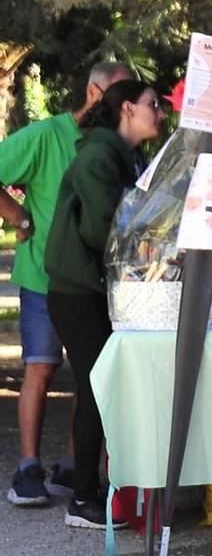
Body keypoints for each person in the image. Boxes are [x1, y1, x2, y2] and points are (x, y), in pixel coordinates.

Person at [0, 60, 133, 508]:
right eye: (120, 95)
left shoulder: (117, 145)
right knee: (40, 367)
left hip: (94, 281)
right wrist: (18, 217)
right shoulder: (45, 136)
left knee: (91, 375)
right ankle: (28, 468)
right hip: (44, 276)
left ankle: (75, 466)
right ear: (95, 94)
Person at [43, 79, 167, 530]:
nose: (160, 112)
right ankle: (83, 498)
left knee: (103, 388)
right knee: (99, 389)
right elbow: (103, 230)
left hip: (92, 289)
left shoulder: (123, 155)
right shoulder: (99, 156)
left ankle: (99, 488)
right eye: (153, 104)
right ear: (127, 109)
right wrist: (151, 246)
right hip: (77, 293)